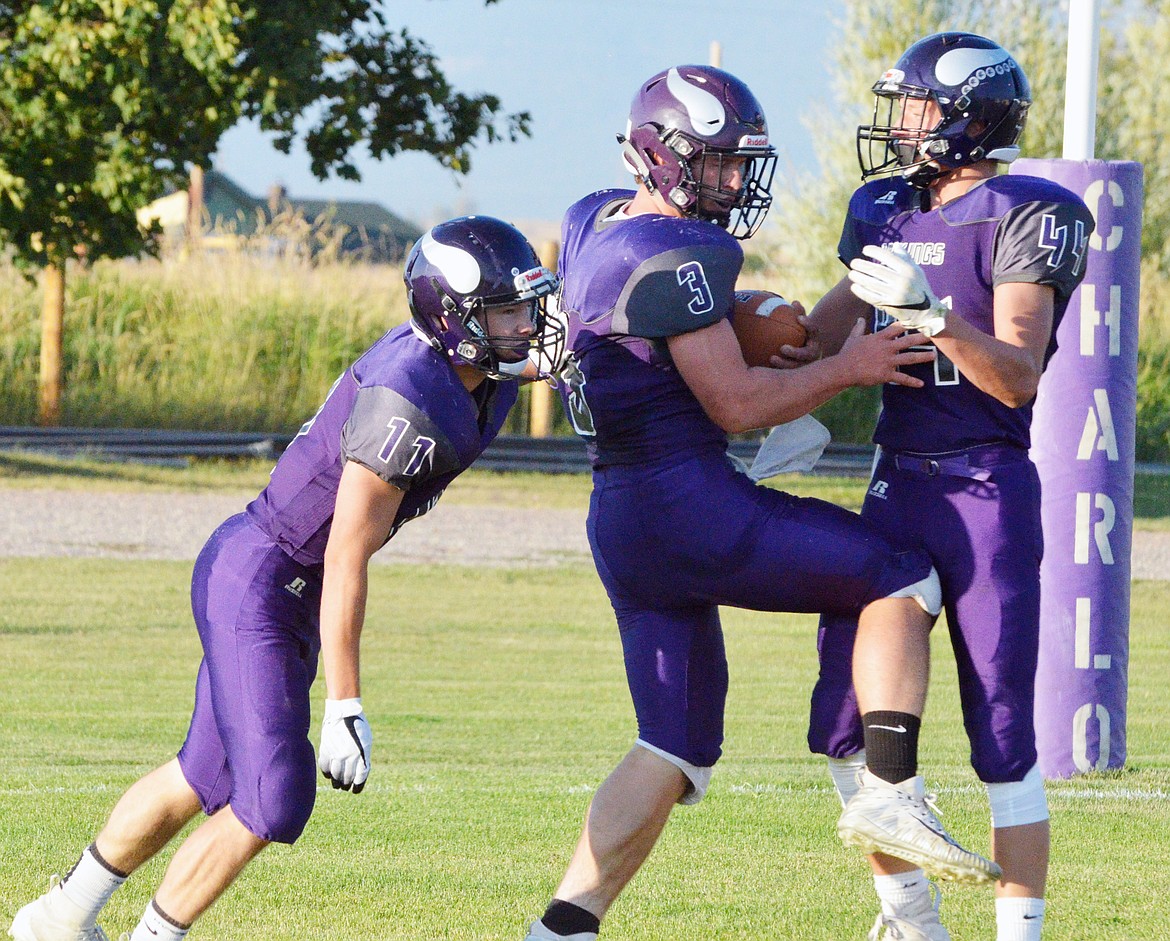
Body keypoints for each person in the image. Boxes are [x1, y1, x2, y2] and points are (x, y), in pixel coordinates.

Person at [523, 64, 1000, 941]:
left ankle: (561, 927)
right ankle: (893, 793)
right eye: (717, 164)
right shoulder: (688, 253)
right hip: (690, 504)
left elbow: (657, 328)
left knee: (673, 743)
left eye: (742, 164)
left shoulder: (592, 218)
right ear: (663, 155)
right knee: (900, 574)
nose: (736, 182)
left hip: (621, 518)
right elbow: (735, 405)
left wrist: (742, 314)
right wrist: (845, 367)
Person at [8, 215, 564, 941]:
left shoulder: (478, 373)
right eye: (509, 312)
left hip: (274, 579)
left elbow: (585, 333)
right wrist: (344, 701)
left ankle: (59, 916)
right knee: (273, 798)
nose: (528, 326)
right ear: (455, 316)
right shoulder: (408, 397)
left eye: (529, 307)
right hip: (266, 578)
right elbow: (343, 554)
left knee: (200, 775)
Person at [802, 33, 1095, 941]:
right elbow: (820, 336)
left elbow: (1017, 374)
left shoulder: (1026, 210)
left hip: (982, 488)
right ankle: (911, 918)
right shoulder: (885, 206)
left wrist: (932, 314)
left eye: (921, 106)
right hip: (897, 481)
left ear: (971, 116)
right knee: (846, 725)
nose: (903, 124)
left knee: (1003, 731)